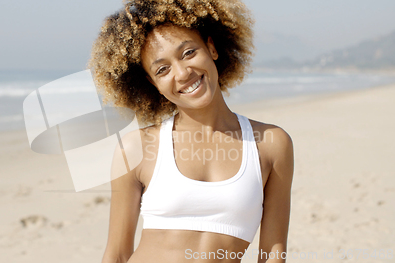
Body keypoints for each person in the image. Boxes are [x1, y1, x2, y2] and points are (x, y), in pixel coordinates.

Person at [88, 0, 294, 262]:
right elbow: (116, 254)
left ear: (211, 48)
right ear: (153, 83)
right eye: (163, 69)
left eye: (188, 53)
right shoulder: (135, 148)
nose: (183, 73)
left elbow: (273, 255)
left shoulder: (271, 143)